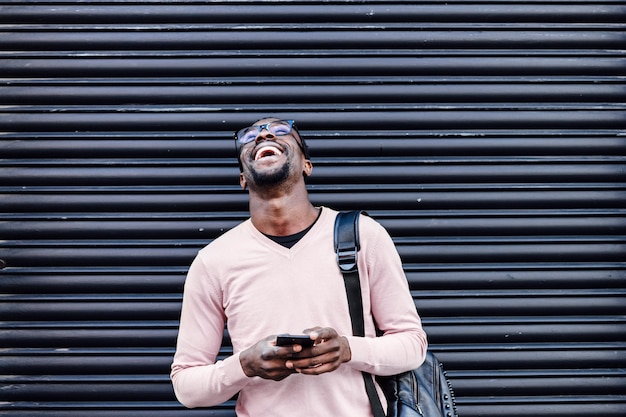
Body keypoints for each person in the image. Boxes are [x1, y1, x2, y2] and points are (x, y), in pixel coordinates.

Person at [170, 117, 428, 416]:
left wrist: (347, 349)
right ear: (242, 178)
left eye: (281, 130)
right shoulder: (213, 261)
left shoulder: (363, 235)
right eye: (250, 135)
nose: (264, 134)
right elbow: (187, 386)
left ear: (307, 164)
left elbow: (412, 346)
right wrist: (245, 365)